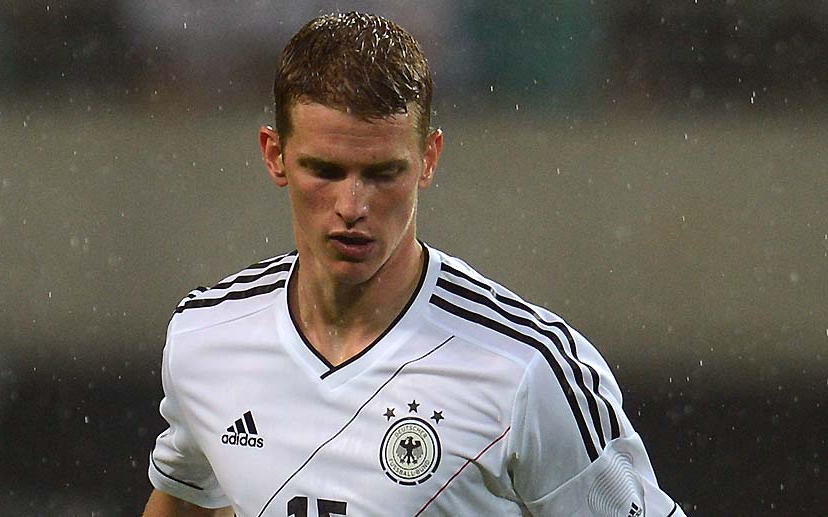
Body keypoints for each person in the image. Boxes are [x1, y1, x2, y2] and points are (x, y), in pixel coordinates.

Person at [144, 11, 686, 517]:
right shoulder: (206, 337)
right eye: (325, 171)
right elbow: (186, 499)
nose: (352, 207)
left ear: (428, 159)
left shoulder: (528, 370)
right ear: (274, 155)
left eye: (382, 173)